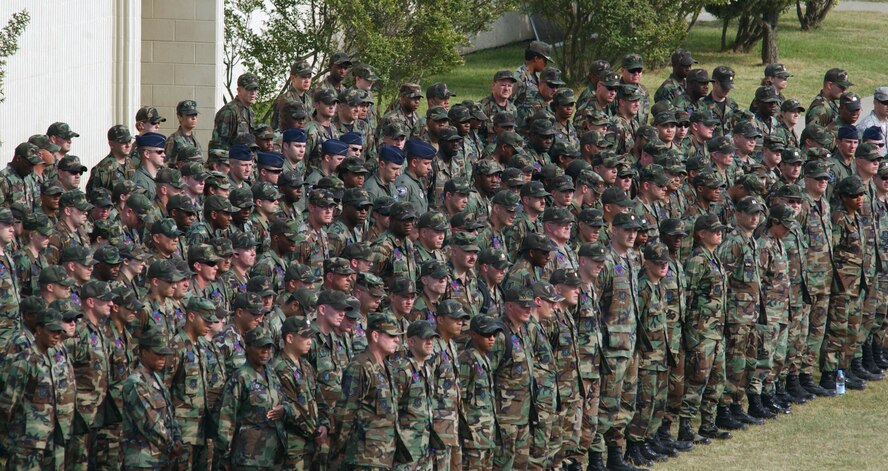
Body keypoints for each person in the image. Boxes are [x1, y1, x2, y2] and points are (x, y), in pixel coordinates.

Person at [332, 311, 403, 469]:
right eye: (391, 335)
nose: (397, 340)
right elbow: (345, 413)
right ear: (376, 336)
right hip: (363, 457)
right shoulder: (360, 366)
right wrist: (340, 448)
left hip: (384, 456)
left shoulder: (386, 367)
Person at [216, 326, 290, 468]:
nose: (265, 352)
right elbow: (227, 417)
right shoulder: (241, 377)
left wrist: (284, 410)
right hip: (249, 457)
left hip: (274, 454)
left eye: (268, 347)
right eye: (260, 347)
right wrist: (225, 454)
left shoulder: (272, 374)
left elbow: (285, 402)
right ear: (248, 347)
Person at [121, 330, 184, 469]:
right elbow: (150, 422)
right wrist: (172, 445)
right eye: (158, 354)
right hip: (143, 459)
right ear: (143, 352)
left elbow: (169, 413)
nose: (162, 358)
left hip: (160, 458)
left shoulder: (156, 379)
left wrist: (177, 438)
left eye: (164, 355)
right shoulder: (136, 383)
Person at [210, 72, 259, 149]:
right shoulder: (229, 111)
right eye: (249, 89)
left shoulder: (250, 111)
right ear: (239, 90)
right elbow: (219, 146)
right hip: (232, 160)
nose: (253, 93)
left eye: (255, 89)